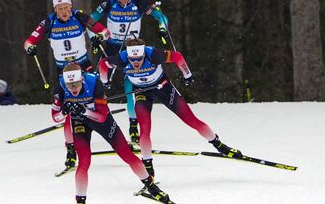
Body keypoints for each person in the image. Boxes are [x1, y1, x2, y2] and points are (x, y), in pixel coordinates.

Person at [98, 38, 242, 179]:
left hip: (164, 88)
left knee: (191, 120)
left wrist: (187, 75)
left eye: (139, 59)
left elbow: (177, 57)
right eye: (132, 59)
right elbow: (103, 64)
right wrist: (104, 82)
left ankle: (220, 145)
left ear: (143, 54)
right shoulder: (121, 58)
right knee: (145, 129)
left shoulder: (153, 54)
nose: (135, 63)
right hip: (142, 92)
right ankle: (148, 166)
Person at [52, 63, 169, 204]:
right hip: (80, 123)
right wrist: (65, 111)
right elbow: (55, 117)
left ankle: (151, 186)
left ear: (82, 79)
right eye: (69, 85)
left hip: (101, 121)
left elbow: (102, 116)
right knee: (84, 163)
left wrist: (83, 110)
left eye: (76, 84)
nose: (73, 88)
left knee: (126, 155)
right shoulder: (60, 89)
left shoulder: (94, 83)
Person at [23, 0, 111, 170]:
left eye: (66, 7)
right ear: (55, 9)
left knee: (97, 99)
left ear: (71, 5)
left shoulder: (79, 16)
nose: (64, 11)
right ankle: (71, 149)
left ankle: (110, 131)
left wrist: (98, 38)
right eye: (60, 8)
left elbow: (105, 32)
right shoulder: (49, 21)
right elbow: (28, 41)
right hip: (64, 70)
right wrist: (30, 47)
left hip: (83, 65)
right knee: (69, 108)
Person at [90, 0, 169, 144]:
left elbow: (162, 17)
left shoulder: (138, 2)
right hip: (110, 47)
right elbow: (90, 21)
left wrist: (162, 29)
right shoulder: (109, 2)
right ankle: (91, 120)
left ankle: (133, 125)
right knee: (98, 83)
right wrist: (95, 37)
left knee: (130, 88)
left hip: (132, 49)